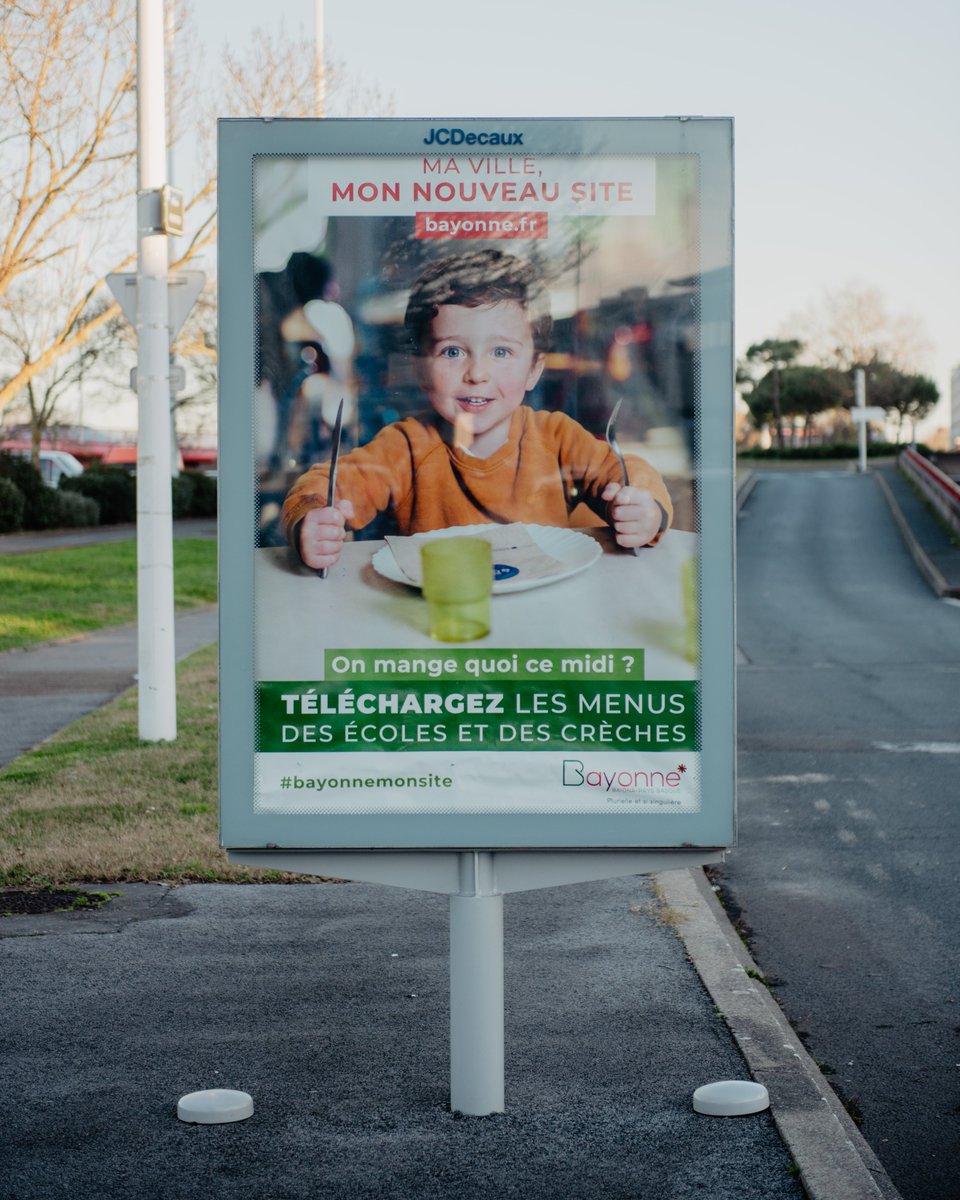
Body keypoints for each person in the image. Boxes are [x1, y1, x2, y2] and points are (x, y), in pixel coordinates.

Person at [281, 249, 672, 571]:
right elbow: (326, 484)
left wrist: (645, 509)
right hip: (437, 619)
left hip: (545, 613)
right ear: (420, 369)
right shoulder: (406, 446)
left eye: (500, 351)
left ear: (534, 369)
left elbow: (624, 473)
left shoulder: (556, 436)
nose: (477, 374)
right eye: (453, 351)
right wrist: (312, 520)